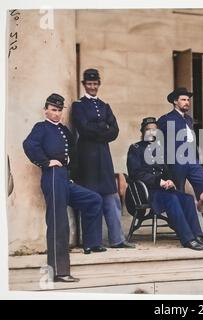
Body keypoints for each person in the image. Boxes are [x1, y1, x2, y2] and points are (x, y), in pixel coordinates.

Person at [23, 93, 105, 283]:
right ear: (46, 110)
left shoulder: (64, 130)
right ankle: (59, 271)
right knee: (58, 222)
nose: (57, 114)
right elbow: (29, 145)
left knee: (93, 200)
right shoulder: (41, 127)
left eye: (59, 110)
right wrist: (45, 161)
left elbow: (73, 153)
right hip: (52, 176)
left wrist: (70, 170)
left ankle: (91, 244)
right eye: (53, 110)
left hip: (65, 178)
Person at [71, 69, 133, 249]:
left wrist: (98, 129)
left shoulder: (105, 106)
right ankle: (94, 242)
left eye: (95, 84)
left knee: (111, 197)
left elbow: (115, 130)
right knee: (92, 198)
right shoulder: (78, 106)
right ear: (84, 85)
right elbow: (83, 128)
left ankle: (117, 239)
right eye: (89, 84)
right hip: (87, 157)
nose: (92, 87)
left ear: (99, 84)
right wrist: (102, 128)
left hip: (104, 157)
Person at [127, 117, 203, 250]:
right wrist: (158, 181)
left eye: (154, 130)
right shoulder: (136, 149)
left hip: (163, 190)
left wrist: (170, 180)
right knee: (172, 198)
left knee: (187, 199)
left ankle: (196, 235)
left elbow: (167, 171)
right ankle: (188, 239)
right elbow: (136, 173)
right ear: (142, 132)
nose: (151, 133)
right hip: (147, 192)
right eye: (148, 130)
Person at [157, 87, 203, 234]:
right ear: (175, 102)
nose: (187, 102)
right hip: (175, 162)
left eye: (188, 100)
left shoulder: (188, 119)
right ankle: (185, 232)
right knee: (178, 194)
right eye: (183, 99)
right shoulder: (165, 119)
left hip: (192, 161)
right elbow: (158, 142)